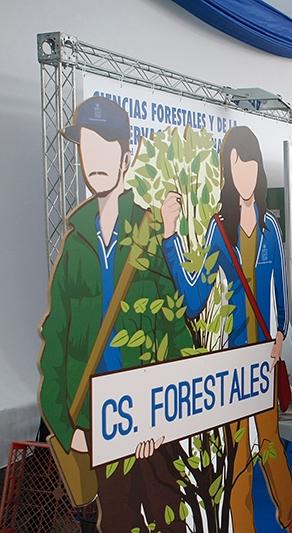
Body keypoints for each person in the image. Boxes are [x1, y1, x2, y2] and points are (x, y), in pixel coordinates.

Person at [39, 97, 193, 533]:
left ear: (127, 156)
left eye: (107, 146)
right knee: (118, 521)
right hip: (98, 420)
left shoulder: (149, 230)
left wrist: (164, 414)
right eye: (88, 147)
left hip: (151, 421)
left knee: (168, 519)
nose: (96, 159)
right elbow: (56, 339)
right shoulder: (75, 244)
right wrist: (68, 426)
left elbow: (174, 326)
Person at [161, 126, 292, 533]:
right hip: (232, 358)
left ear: (259, 169)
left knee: (271, 443)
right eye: (236, 165)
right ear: (228, 170)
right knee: (238, 453)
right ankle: (244, 527)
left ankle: (288, 514)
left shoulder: (271, 228)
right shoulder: (218, 229)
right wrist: (171, 236)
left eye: (251, 164)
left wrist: (278, 339)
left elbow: (282, 295)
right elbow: (193, 298)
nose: (245, 173)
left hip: (264, 356)